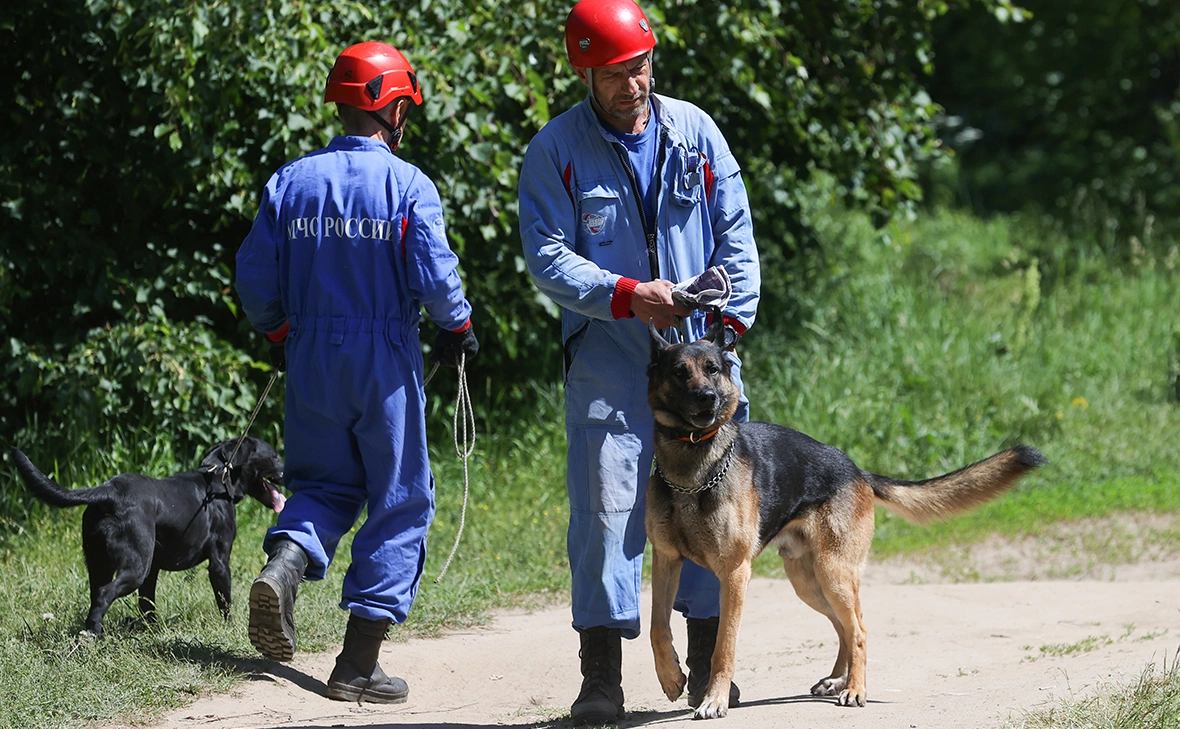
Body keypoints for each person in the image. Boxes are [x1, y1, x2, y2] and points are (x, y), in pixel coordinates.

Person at [517, 0, 760, 723]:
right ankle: (601, 679)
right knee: (605, 513)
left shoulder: (695, 133)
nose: (632, 85)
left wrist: (729, 328)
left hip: (700, 366)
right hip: (609, 358)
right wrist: (625, 294)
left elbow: (736, 230)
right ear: (585, 73)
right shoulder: (555, 150)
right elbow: (547, 256)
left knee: (715, 505)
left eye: (641, 67)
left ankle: (709, 664)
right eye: (615, 74)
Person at [235, 40, 479, 705]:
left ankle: (285, 565)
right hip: (384, 358)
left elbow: (252, 278)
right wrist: (458, 326)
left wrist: (281, 330)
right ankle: (357, 665)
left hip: (310, 355)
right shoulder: (408, 185)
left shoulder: (290, 182)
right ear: (393, 108)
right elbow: (435, 277)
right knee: (400, 497)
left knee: (323, 483)